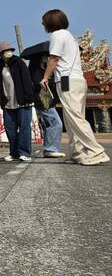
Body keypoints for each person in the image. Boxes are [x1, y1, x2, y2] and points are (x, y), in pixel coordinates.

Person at [39, 9, 110, 166]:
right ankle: (78, 153)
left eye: (44, 20)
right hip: (77, 80)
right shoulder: (69, 36)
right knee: (72, 118)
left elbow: (54, 58)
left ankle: (96, 151)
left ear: (51, 21)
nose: (42, 23)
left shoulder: (57, 35)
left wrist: (45, 77)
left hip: (67, 81)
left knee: (75, 118)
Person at [0, 42, 34, 162]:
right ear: (0, 54)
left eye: (9, 50)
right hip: (7, 102)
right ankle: (13, 152)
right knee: (10, 128)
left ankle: (24, 152)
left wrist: (29, 97)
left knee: (24, 127)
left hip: (23, 101)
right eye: (5, 51)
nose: (8, 52)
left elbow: (26, 80)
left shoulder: (19, 62)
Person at [26, 49, 65, 158]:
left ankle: (49, 149)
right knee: (56, 123)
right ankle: (50, 149)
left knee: (50, 124)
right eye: (46, 57)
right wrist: (46, 79)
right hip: (43, 100)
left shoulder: (48, 71)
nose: (48, 58)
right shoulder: (36, 71)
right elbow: (39, 86)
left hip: (49, 100)